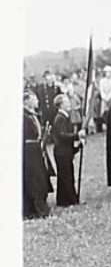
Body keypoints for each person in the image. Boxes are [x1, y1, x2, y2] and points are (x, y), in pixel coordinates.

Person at [23, 90, 53, 219]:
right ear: (27, 101)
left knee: (41, 177)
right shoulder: (24, 117)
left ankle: (41, 207)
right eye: (34, 99)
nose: (37, 101)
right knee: (35, 179)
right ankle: (38, 210)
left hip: (36, 149)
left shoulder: (33, 115)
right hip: (30, 152)